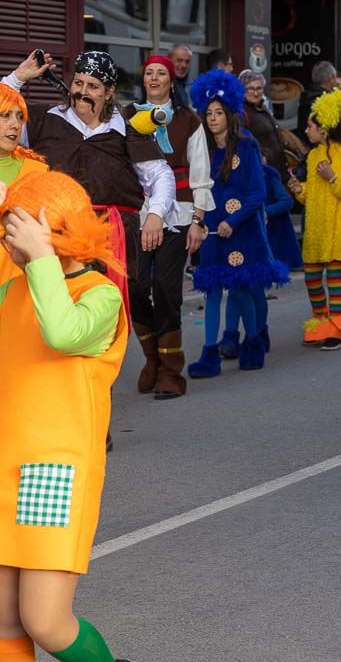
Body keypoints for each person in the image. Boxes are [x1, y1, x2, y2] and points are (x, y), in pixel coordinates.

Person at [0, 170, 132, 662]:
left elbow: (60, 333)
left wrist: (38, 257)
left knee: (47, 623)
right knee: (5, 622)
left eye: (14, 231)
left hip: (54, 472)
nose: (7, 242)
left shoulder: (100, 294)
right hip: (4, 466)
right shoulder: (13, 290)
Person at [4, 50, 174, 315]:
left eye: (93, 86)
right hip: (55, 234)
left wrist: (155, 214)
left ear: (108, 93)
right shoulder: (42, 119)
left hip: (110, 238)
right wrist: (17, 78)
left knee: (100, 314)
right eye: (78, 83)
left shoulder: (127, 131)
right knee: (54, 311)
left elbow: (160, 174)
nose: (82, 92)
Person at [120, 55, 212, 398]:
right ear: (143, 80)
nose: (154, 77)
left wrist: (197, 221)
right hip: (137, 213)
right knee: (136, 285)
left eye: (161, 73)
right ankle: (152, 359)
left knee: (166, 288)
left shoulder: (189, 119)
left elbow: (201, 173)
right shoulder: (126, 117)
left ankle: (172, 371)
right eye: (149, 72)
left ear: (171, 82)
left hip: (177, 213)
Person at [186, 70, 288, 377]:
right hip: (213, 229)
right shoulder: (201, 147)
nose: (213, 118)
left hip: (244, 229)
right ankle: (209, 355)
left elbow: (257, 193)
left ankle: (254, 343)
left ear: (229, 114)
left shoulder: (246, 144)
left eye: (218, 112)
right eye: (208, 113)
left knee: (243, 289)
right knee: (213, 290)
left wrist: (234, 220)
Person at [287, 89, 341, 350]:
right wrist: (300, 190)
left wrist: (334, 178)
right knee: (312, 280)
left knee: (334, 281)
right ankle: (319, 322)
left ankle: (335, 329)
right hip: (316, 229)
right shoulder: (312, 156)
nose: (307, 131)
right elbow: (313, 195)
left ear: (324, 129)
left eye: (310, 126)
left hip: (339, 228)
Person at [0, 84, 49, 285]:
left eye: (20, 117)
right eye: (5, 115)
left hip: (21, 287)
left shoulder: (37, 172)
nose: (15, 125)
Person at [240, 70, 295, 179]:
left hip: (278, 169)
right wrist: (262, 156)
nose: (255, 93)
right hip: (264, 172)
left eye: (259, 88)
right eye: (251, 88)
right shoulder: (241, 112)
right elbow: (242, 139)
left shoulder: (263, 107)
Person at [169, 43, 193, 110]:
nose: (184, 65)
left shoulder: (190, 85)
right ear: (170, 60)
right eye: (179, 60)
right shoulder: (163, 85)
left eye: (187, 62)